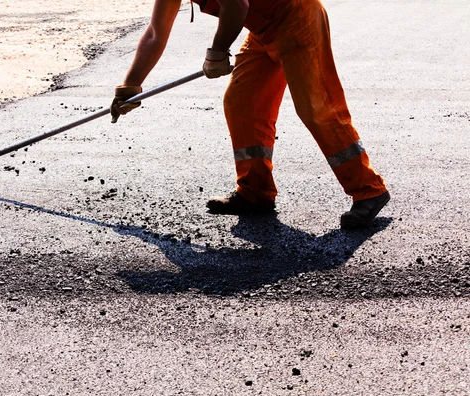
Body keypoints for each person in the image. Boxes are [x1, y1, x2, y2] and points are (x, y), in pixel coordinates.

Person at [110, 0, 390, 229]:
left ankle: (369, 190)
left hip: (297, 16)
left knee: (315, 108)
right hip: (263, 31)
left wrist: (217, 51)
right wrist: (129, 87)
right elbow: (155, 33)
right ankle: (255, 192)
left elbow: (237, 5)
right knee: (242, 104)